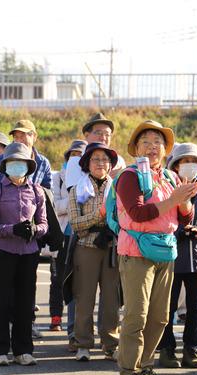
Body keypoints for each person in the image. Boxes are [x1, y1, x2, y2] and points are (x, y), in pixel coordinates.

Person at [115, 120, 197, 375]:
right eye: (146, 142)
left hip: (165, 250)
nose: (153, 147)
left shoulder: (171, 177)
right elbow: (138, 213)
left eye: (158, 143)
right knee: (136, 315)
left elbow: (186, 217)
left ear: (165, 150)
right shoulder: (129, 176)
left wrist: (184, 198)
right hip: (136, 251)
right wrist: (174, 199)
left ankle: (145, 367)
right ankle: (128, 373)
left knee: (161, 317)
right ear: (136, 148)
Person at [0, 142, 48, 366]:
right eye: (12, 162)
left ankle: (23, 349)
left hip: (28, 252)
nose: (17, 167)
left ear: (29, 166)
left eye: (21, 163)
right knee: (0, 301)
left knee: (25, 302)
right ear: (5, 166)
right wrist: (11, 230)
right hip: (2, 252)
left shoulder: (37, 190)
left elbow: (44, 224)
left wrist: (34, 230)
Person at [158, 143, 197, 370]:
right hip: (172, 254)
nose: (191, 165)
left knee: (196, 307)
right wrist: (180, 230)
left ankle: (191, 349)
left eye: (195, 161)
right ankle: (167, 349)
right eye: (185, 161)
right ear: (176, 165)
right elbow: (163, 217)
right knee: (166, 306)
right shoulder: (167, 187)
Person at [68, 142, 121, 362]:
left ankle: (110, 343)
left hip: (112, 247)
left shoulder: (119, 189)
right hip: (86, 247)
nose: (101, 163)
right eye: (96, 159)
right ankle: (83, 343)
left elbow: (124, 218)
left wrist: (110, 230)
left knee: (112, 299)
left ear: (111, 165)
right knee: (84, 297)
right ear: (87, 164)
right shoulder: (77, 190)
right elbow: (75, 223)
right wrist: (98, 216)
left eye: (105, 160)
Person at [50, 140, 86, 334]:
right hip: (64, 234)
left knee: (81, 282)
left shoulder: (90, 178)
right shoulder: (59, 177)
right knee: (60, 279)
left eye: (80, 154)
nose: (77, 158)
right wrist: (74, 196)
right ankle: (57, 317)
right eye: (73, 154)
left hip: (84, 234)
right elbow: (56, 206)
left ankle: (78, 327)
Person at [64, 112, 126, 189]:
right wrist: (105, 177)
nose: (103, 138)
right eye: (99, 133)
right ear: (86, 135)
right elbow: (75, 195)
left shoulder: (119, 160)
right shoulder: (75, 161)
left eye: (107, 134)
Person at [0, 120, 52, 189]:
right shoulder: (2, 159)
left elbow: (48, 191)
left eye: (22, 136)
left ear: (34, 137)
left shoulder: (43, 163)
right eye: (16, 137)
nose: (19, 141)